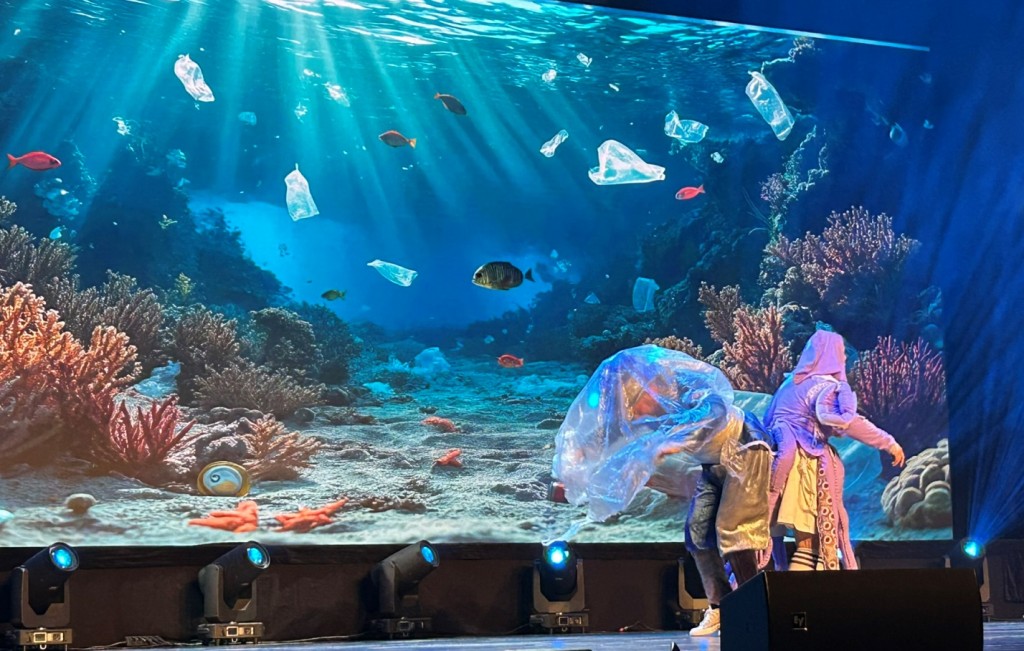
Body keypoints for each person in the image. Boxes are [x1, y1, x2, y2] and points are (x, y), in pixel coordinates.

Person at [761, 330, 906, 572]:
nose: (845, 358)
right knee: (810, 543)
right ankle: (797, 592)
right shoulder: (824, 387)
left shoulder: (790, 384)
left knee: (790, 542)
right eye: (842, 352)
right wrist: (888, 442)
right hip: (804, 465)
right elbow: (849, 423)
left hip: (775, 463)